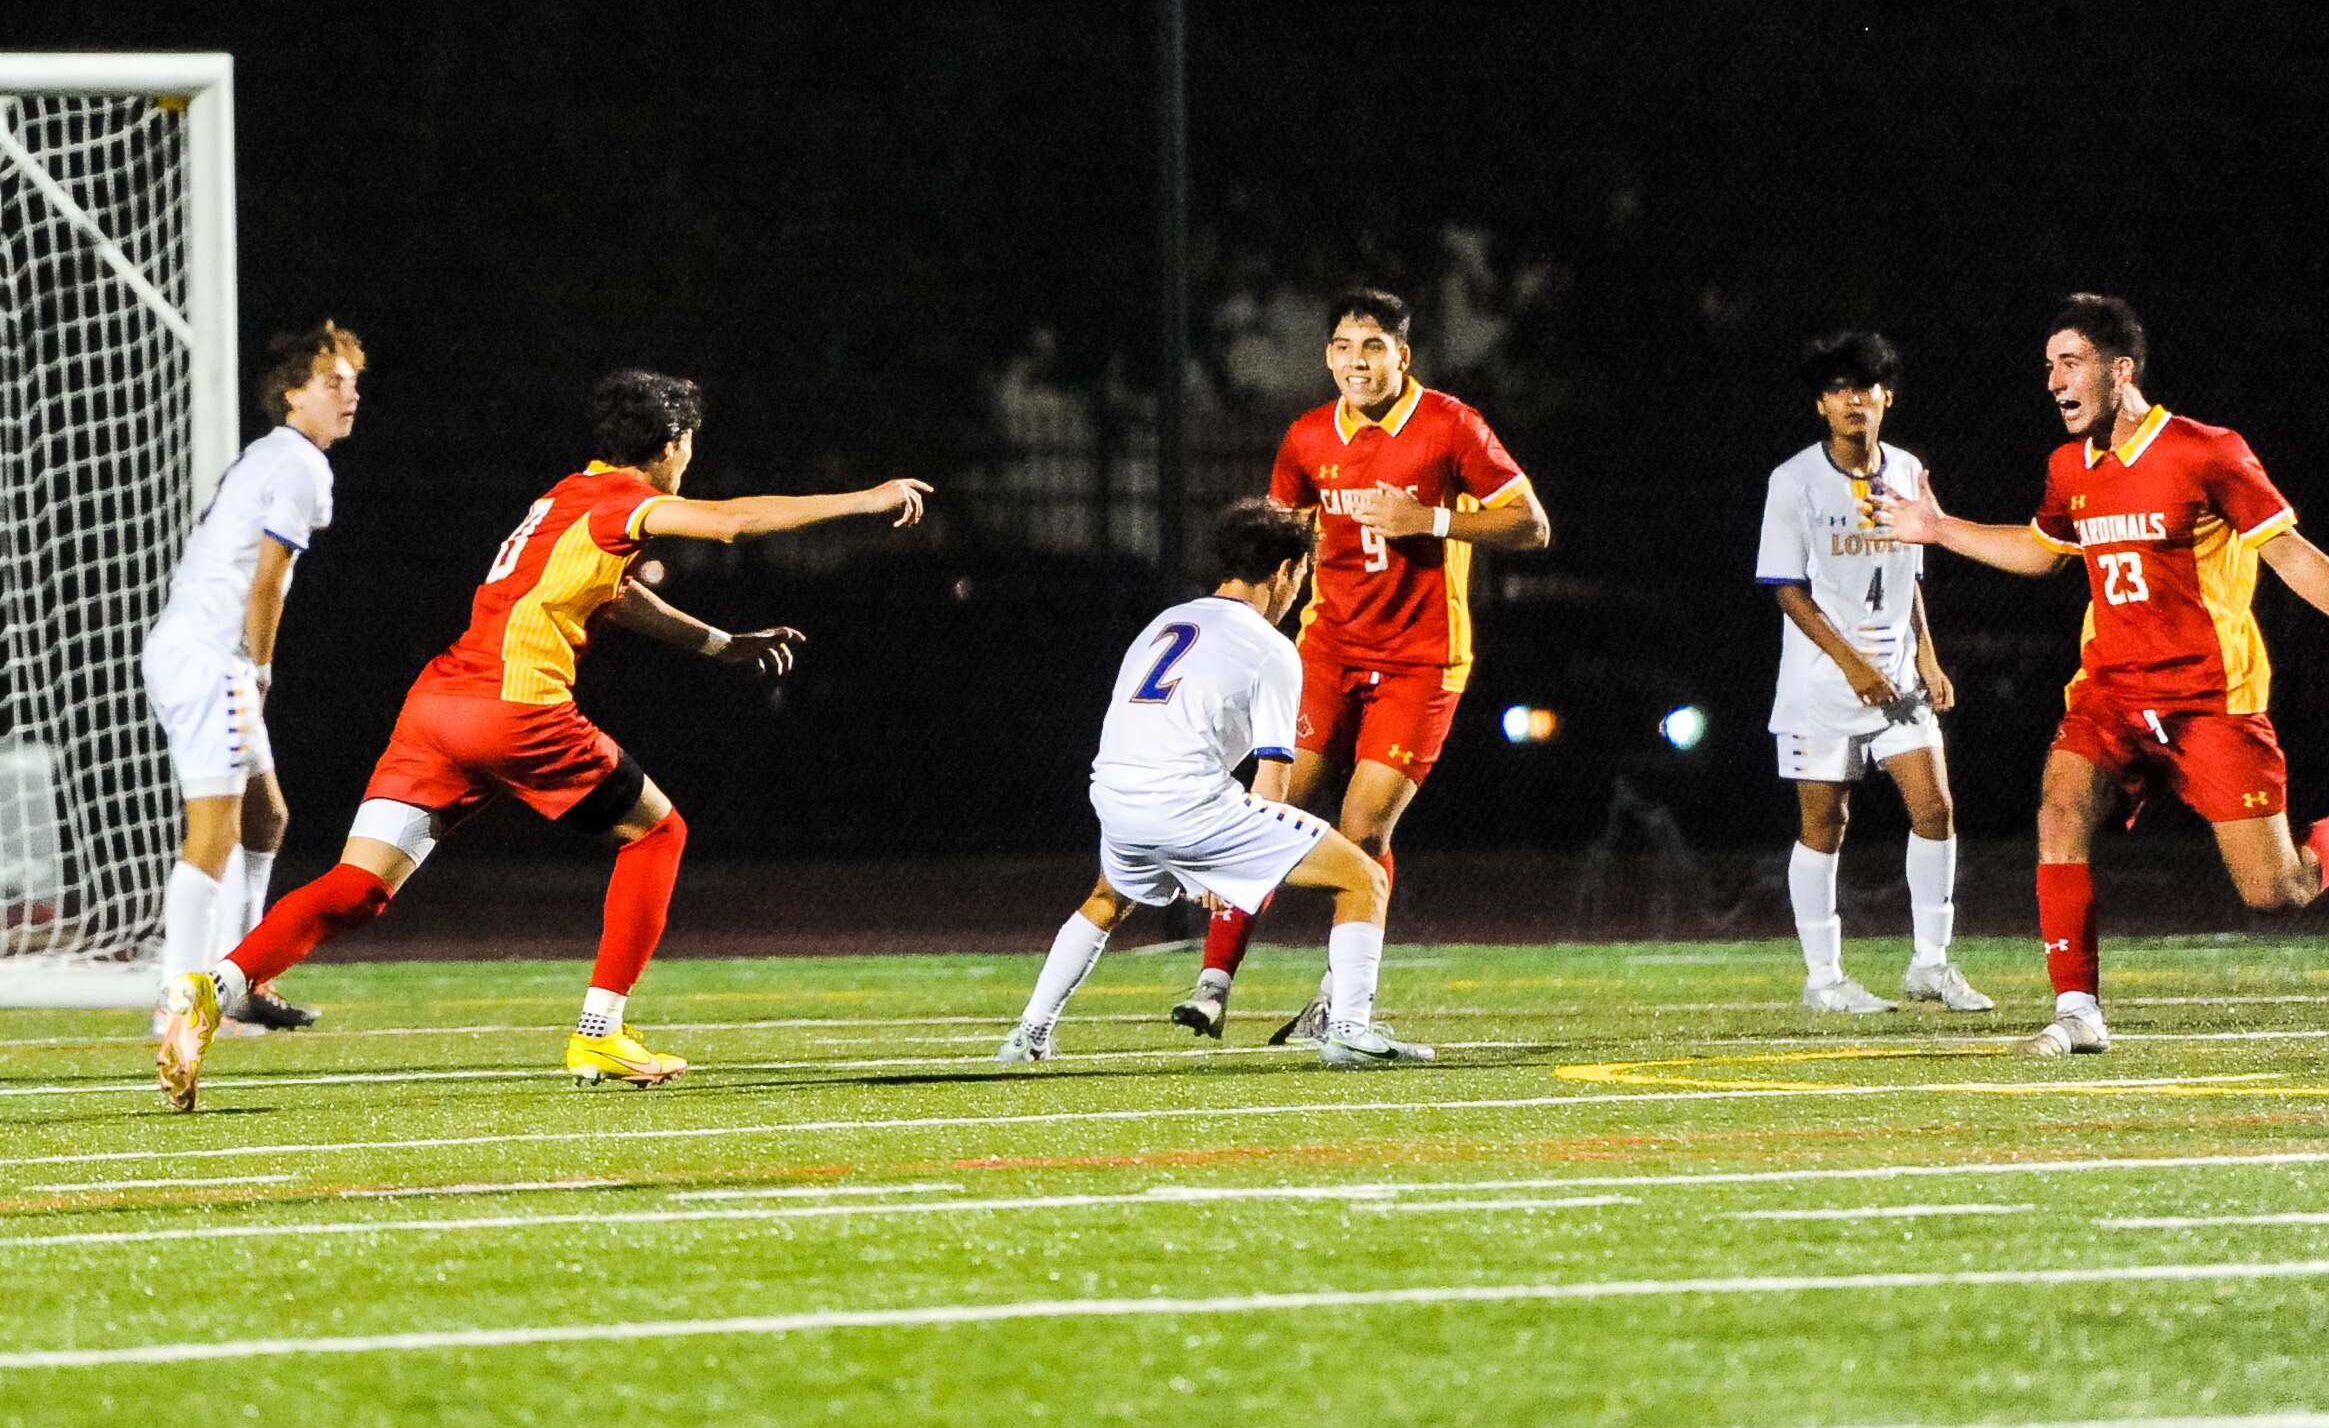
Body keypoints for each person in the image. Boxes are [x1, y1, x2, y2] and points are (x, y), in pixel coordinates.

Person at [152, 369, 931, 1110]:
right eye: (689, 443)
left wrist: (720, 645)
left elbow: (616, 598)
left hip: (437, 708)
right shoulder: (620, 498)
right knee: (659, 834)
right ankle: (600, 1031)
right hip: (516, 711)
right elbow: (729, 523)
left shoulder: (562, 496)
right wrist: (867, 497)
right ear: (670, 442)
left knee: (359, 887)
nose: (690, 459)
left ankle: (208, 990)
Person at [1877, 294, 2329, 1057]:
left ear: (2120, 369)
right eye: (2047, 367)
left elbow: (2290, 553)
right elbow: (2041, 553)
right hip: (2111, 690)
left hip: (2211, 702)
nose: (2052, 381)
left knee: (2275, 892)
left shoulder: (2206, 451)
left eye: (2068, 363)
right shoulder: (2068, 466)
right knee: (2059, 808)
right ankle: (2077, 1012)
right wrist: (1938, 529)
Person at [1173, 289, 1548, 1043]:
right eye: (1343, 347)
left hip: (1421, 660)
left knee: (1362, 828)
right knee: (1266, 809)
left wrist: (1432, 520)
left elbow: (1530, 525)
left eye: (1372, 347)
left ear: (1401, 356)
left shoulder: (1451, 425)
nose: (1356, 362)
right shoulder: (1308, 437)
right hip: (1328, 651)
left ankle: (1338, 1005)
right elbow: (1274, 551)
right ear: (1327, 357)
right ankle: (1213, 983)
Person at [1002, 498, 1427, 1070]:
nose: (1298, 588)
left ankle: (1029, 1033)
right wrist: (1225, 864)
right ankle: (1348, 1029)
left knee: (1106, 900)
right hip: (1187, 806)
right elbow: (1273, 779)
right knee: (1365, 878)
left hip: (1116, 795)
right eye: (1301, 574)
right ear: (1282, 571)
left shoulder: (1165, 622)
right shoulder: (1272, 648)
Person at [1755, 332, 1992, 1015]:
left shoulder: (1907, 469)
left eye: (1864, 388)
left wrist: (1927, 656)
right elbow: (1787, 591)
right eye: (1837, 390)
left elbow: (1909, 574)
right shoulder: (1793, 480)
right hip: (1820, 686)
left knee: (1935, 809)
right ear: (1820, 406)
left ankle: (1930, 964)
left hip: (1898, 683)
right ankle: (1823, 978)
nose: (1852, 400)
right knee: (1824, 825)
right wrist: (1853, 665)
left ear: (1886, 397)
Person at [143, 322, 365, 1037]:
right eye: (333, 382)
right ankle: (181, 1005)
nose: (349, 394)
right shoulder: (298, 464)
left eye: (354, 382)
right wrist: (261, 667)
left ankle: (239, 980)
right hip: (212, 658)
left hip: (201, 652)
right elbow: (266, 581)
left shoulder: (280, 457)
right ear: (292, 394)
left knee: (267, 817)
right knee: (213, 833)